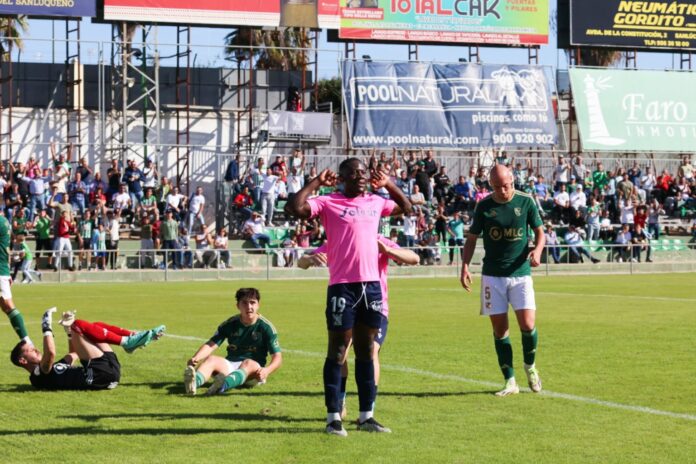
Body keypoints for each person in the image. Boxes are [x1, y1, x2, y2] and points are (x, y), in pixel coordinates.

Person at [285, 157, 412, 436]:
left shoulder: (376, 201)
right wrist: (317, 182)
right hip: (343, 286)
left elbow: (407, 207)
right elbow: (294, 207)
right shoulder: (328, 201)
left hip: (372, 286)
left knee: (366, 351)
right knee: (339, 351)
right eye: (354, 173)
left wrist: (389, 183)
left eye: (363, 172)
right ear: (342, 178)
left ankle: (366, 416)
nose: (361, 176)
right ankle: (333, 418)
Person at [298, 236, 418, 419]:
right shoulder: (340, 238)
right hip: (345, 304)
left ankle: (369, 409)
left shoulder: (378, 240)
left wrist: (387, 250)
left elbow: (414, 258)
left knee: (371, 352)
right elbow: (301, 263)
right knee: (341, 353)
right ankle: (340, 402)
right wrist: (309, 258)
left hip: (376, 306)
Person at [460, 165, 544, 397]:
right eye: (497, 187)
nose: (502, 190)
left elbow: (540, 232)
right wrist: (465, 266)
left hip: (520, 273)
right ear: (490, 185)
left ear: (512, 181)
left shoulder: (526, 201)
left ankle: (530, 367)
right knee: (500, 330)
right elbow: (472, 239)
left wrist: (537, 251)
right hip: (492, 276)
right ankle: (510, 381)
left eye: (505, 185)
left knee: (527, 325)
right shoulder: (485, 206)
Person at [11, 308, 165, 390]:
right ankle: (127, 342)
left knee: (94, 327)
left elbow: (73, 353)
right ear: (23, 360)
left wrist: (68, 332)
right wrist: (46, 326)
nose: (36, 349)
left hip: (106, 370)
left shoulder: (51, 371)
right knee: (78, 324)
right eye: (30, 350)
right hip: (98, 374)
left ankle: (133, 336)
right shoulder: (38, 376)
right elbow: (50, 352)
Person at [183, 288, 282, 395]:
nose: (249, 307)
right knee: (211, 359)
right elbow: (211, 345)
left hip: (253, 372)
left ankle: (222, 386)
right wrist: (196, 358)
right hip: (230, 365)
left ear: (258, 305)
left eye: (252, 302)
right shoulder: (229, 324)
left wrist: (267, 370)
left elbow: (277, 357)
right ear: (238, 306)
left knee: (248, 363)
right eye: (244, 303)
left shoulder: (266, 327)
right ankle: (193, 383)